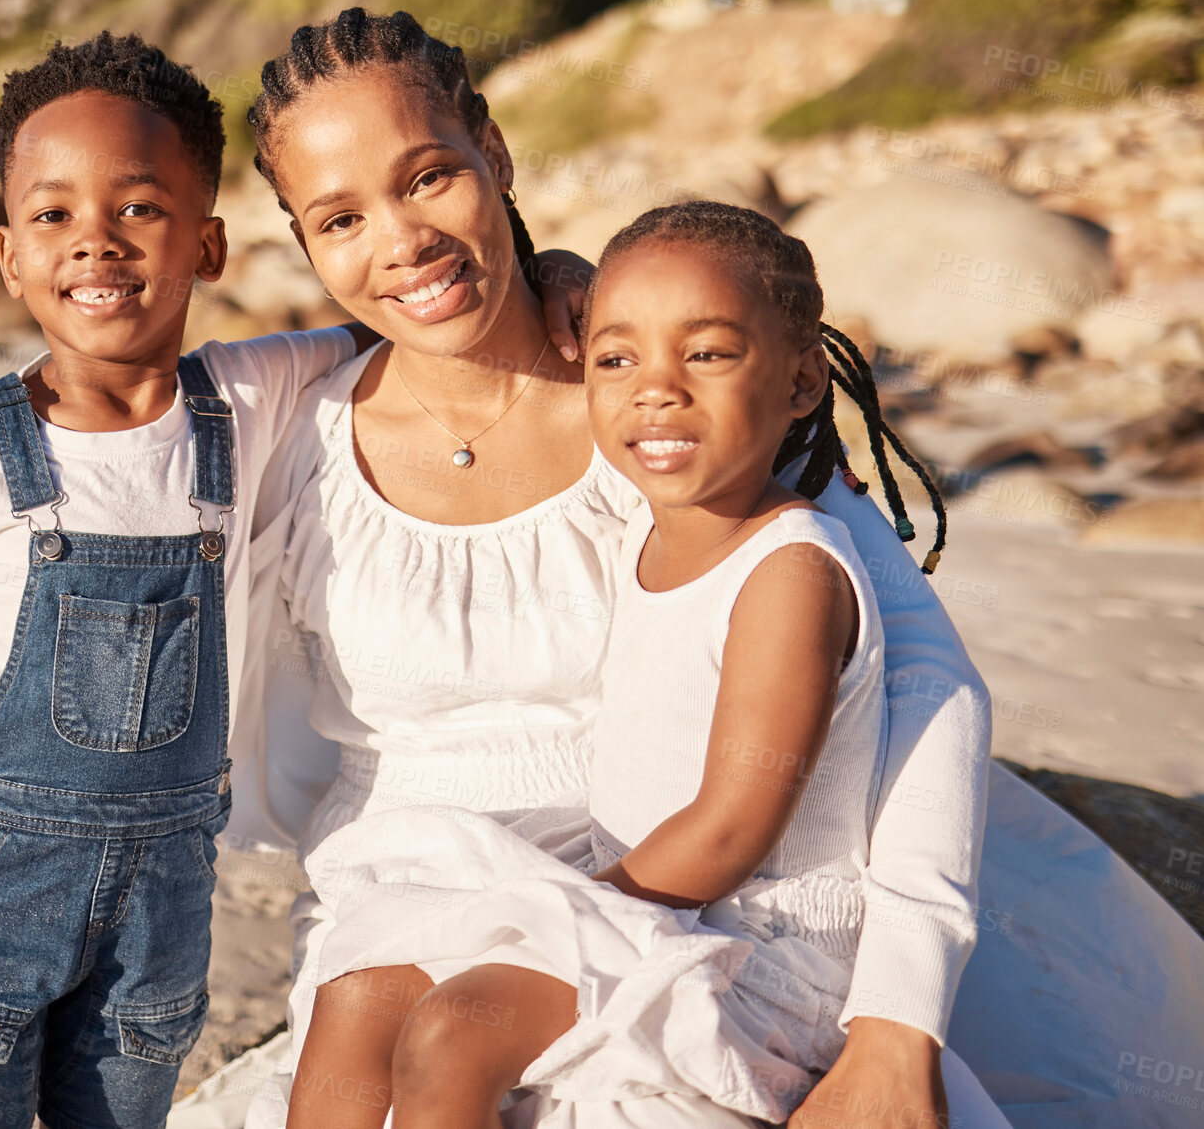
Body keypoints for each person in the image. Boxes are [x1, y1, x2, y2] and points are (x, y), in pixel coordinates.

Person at [0, 10, 1007, 1126]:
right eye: (339, 219)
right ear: (296, 241)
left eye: (429, 177)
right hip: (394, 902)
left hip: (667, 892)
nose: (400, 243)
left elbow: (918, 676)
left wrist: (898, 1024)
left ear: (492, 151)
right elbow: (92, 588)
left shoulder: (661, 405)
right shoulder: (278, 423)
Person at [285, 200, 1012, 1128]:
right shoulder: (642, 530)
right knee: (358, 997)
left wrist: (554, 919)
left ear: (799, 384)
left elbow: (732, 826)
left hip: (752, 941)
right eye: (617, 360)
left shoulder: (789, 567)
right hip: (650, 893)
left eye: (706, 355)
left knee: (453, 1032)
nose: (656, 390)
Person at [0, 30, 371, 1129]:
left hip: (162, 920)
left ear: (209, 245)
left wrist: (560, 281)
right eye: (53, 215)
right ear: (9, 255)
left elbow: (407, 322)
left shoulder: (257, 395)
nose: (95, 243)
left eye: (138, 210)